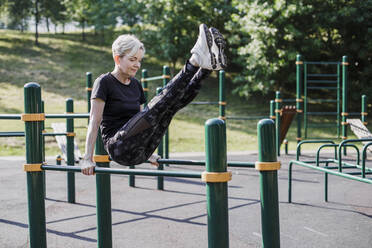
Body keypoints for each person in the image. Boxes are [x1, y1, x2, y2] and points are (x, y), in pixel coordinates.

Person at [81, 24, 227, 175]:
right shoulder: (104, 82)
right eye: (132, 60)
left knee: (170, 107)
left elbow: (142, 123)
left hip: (142, 150)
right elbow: (94, 121)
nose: (137, 65)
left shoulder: (136, 85)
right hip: (119, 148)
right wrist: (87, 158)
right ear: (117, 58)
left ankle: (207, 68)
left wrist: (149, 154)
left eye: (139, 60)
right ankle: (194, 61)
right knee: (158, 105)